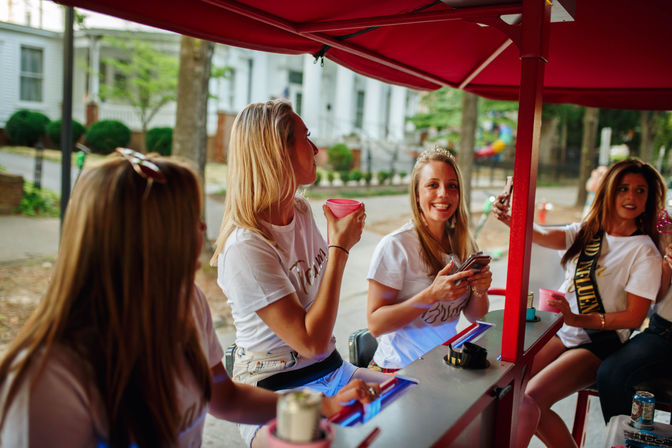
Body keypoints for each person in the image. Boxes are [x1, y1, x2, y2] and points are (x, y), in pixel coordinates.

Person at [0, 150, 379, 447]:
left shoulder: (186, 303)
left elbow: (225, 398)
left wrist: (321, 408)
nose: (203, 229)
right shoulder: (46, 382)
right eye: (187, 219)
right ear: (141, 241)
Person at [211, 100, 387, 447]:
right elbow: (310, 341)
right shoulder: (246, 246)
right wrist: (340, 249)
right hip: (276, 392)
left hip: (332, 371)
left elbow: (321, 334)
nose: (316, 148)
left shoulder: (302, 212)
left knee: (415, 400)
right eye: (307, 137)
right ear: (279, 152)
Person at [492, 158, 666, 447]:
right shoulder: (589, 231)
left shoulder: (644, 251)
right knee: (506, 389)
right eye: (623, 188)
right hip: (561, 331)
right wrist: (514, 218)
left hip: (597, 342)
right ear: (609, 191)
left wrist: (578, 319)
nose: (631, 197)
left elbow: (634, 318)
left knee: (530, 398)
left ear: (649, 200)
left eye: (640, 191)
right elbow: (542, 234)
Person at [366, 147, 491, 371]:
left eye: (452, 186)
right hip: (398, 370)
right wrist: (430, 295)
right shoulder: (396, 246)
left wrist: (480, 290)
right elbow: (375, 325)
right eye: (432, 185)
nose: (443, 193)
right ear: (416, 194)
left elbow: (476, 316)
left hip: (443, 368)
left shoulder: (464, 245)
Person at [596, 238, 672, 422]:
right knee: (610, 373)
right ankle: (624, 441)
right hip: (662, 330)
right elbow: (658, 296)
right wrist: (666, 263)